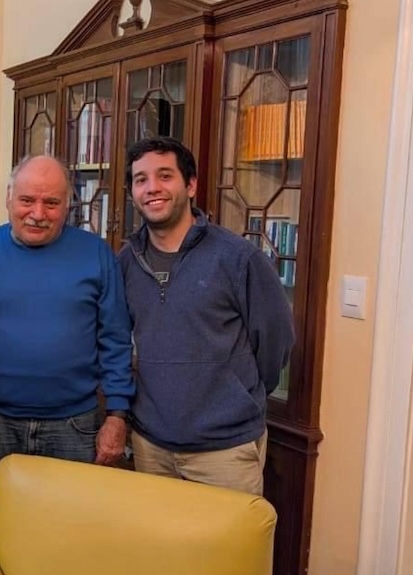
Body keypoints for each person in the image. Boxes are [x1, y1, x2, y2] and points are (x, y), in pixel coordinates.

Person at [0, 155, 135, 555]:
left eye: (51, 203)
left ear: (68, 205)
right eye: (27, 200)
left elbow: (116, 338)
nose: (38, 213)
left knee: (68, 544)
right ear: (7, 198)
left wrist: (118, 416)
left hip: (75, 427)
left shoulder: (97, 254)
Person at [118, 135, 294, 495]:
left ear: (191, 185)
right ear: (132, 192)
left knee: (230, 552)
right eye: (141, 179)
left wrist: (233, 396)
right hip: (151, 446)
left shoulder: (238, 258)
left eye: (165, 176)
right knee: (159, 550)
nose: (153, 188)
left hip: (224, 451)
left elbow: (274, 344)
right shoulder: (125, 261)